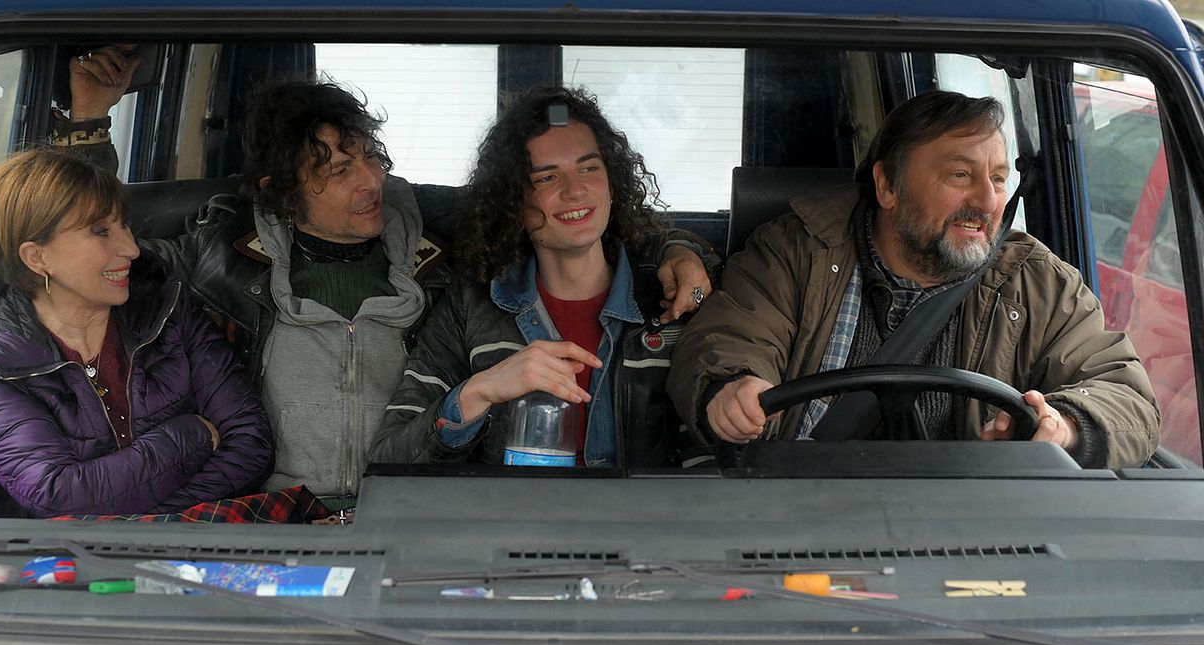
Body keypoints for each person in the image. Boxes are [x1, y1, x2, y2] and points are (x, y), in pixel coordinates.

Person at [62, 64, 716, 496]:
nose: (370, 181)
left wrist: (683, 248)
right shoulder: (217, 254)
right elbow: (84, 244)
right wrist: (88, 120)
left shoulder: (442, 248)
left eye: (371, 156)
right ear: (282, 191)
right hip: (275, 514)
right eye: (339, 169)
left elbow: (578, 218)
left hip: (399, 519)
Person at [666, 90, 1159, 468]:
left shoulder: (1037, 282)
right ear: (887, 186)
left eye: (999, 178)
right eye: (960, 176)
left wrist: (1066, 424)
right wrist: (729, 389)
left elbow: (1127, 395)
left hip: (972, 535)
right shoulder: (797, 249)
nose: (989, 201)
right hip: (796, 509)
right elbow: (729, 342)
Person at [370, 86, 706, 468]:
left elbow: (714, 462)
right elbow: (388, 460)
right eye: (546, 178)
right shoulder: (471, 305)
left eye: (589, 168)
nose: (575, 190)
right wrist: (479, 391)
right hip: (514, 526)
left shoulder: (671, 293)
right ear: (512, 200)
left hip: (643, 526)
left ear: (613, 182)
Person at [0, 150, 274, 516]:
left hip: (192, 538)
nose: (131, 248)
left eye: (125, 225)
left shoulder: (168, 308)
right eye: (101, 231)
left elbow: (251, 443)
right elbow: (57, 496)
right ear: (37, 258)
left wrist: (143, 520)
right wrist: (193, 436)